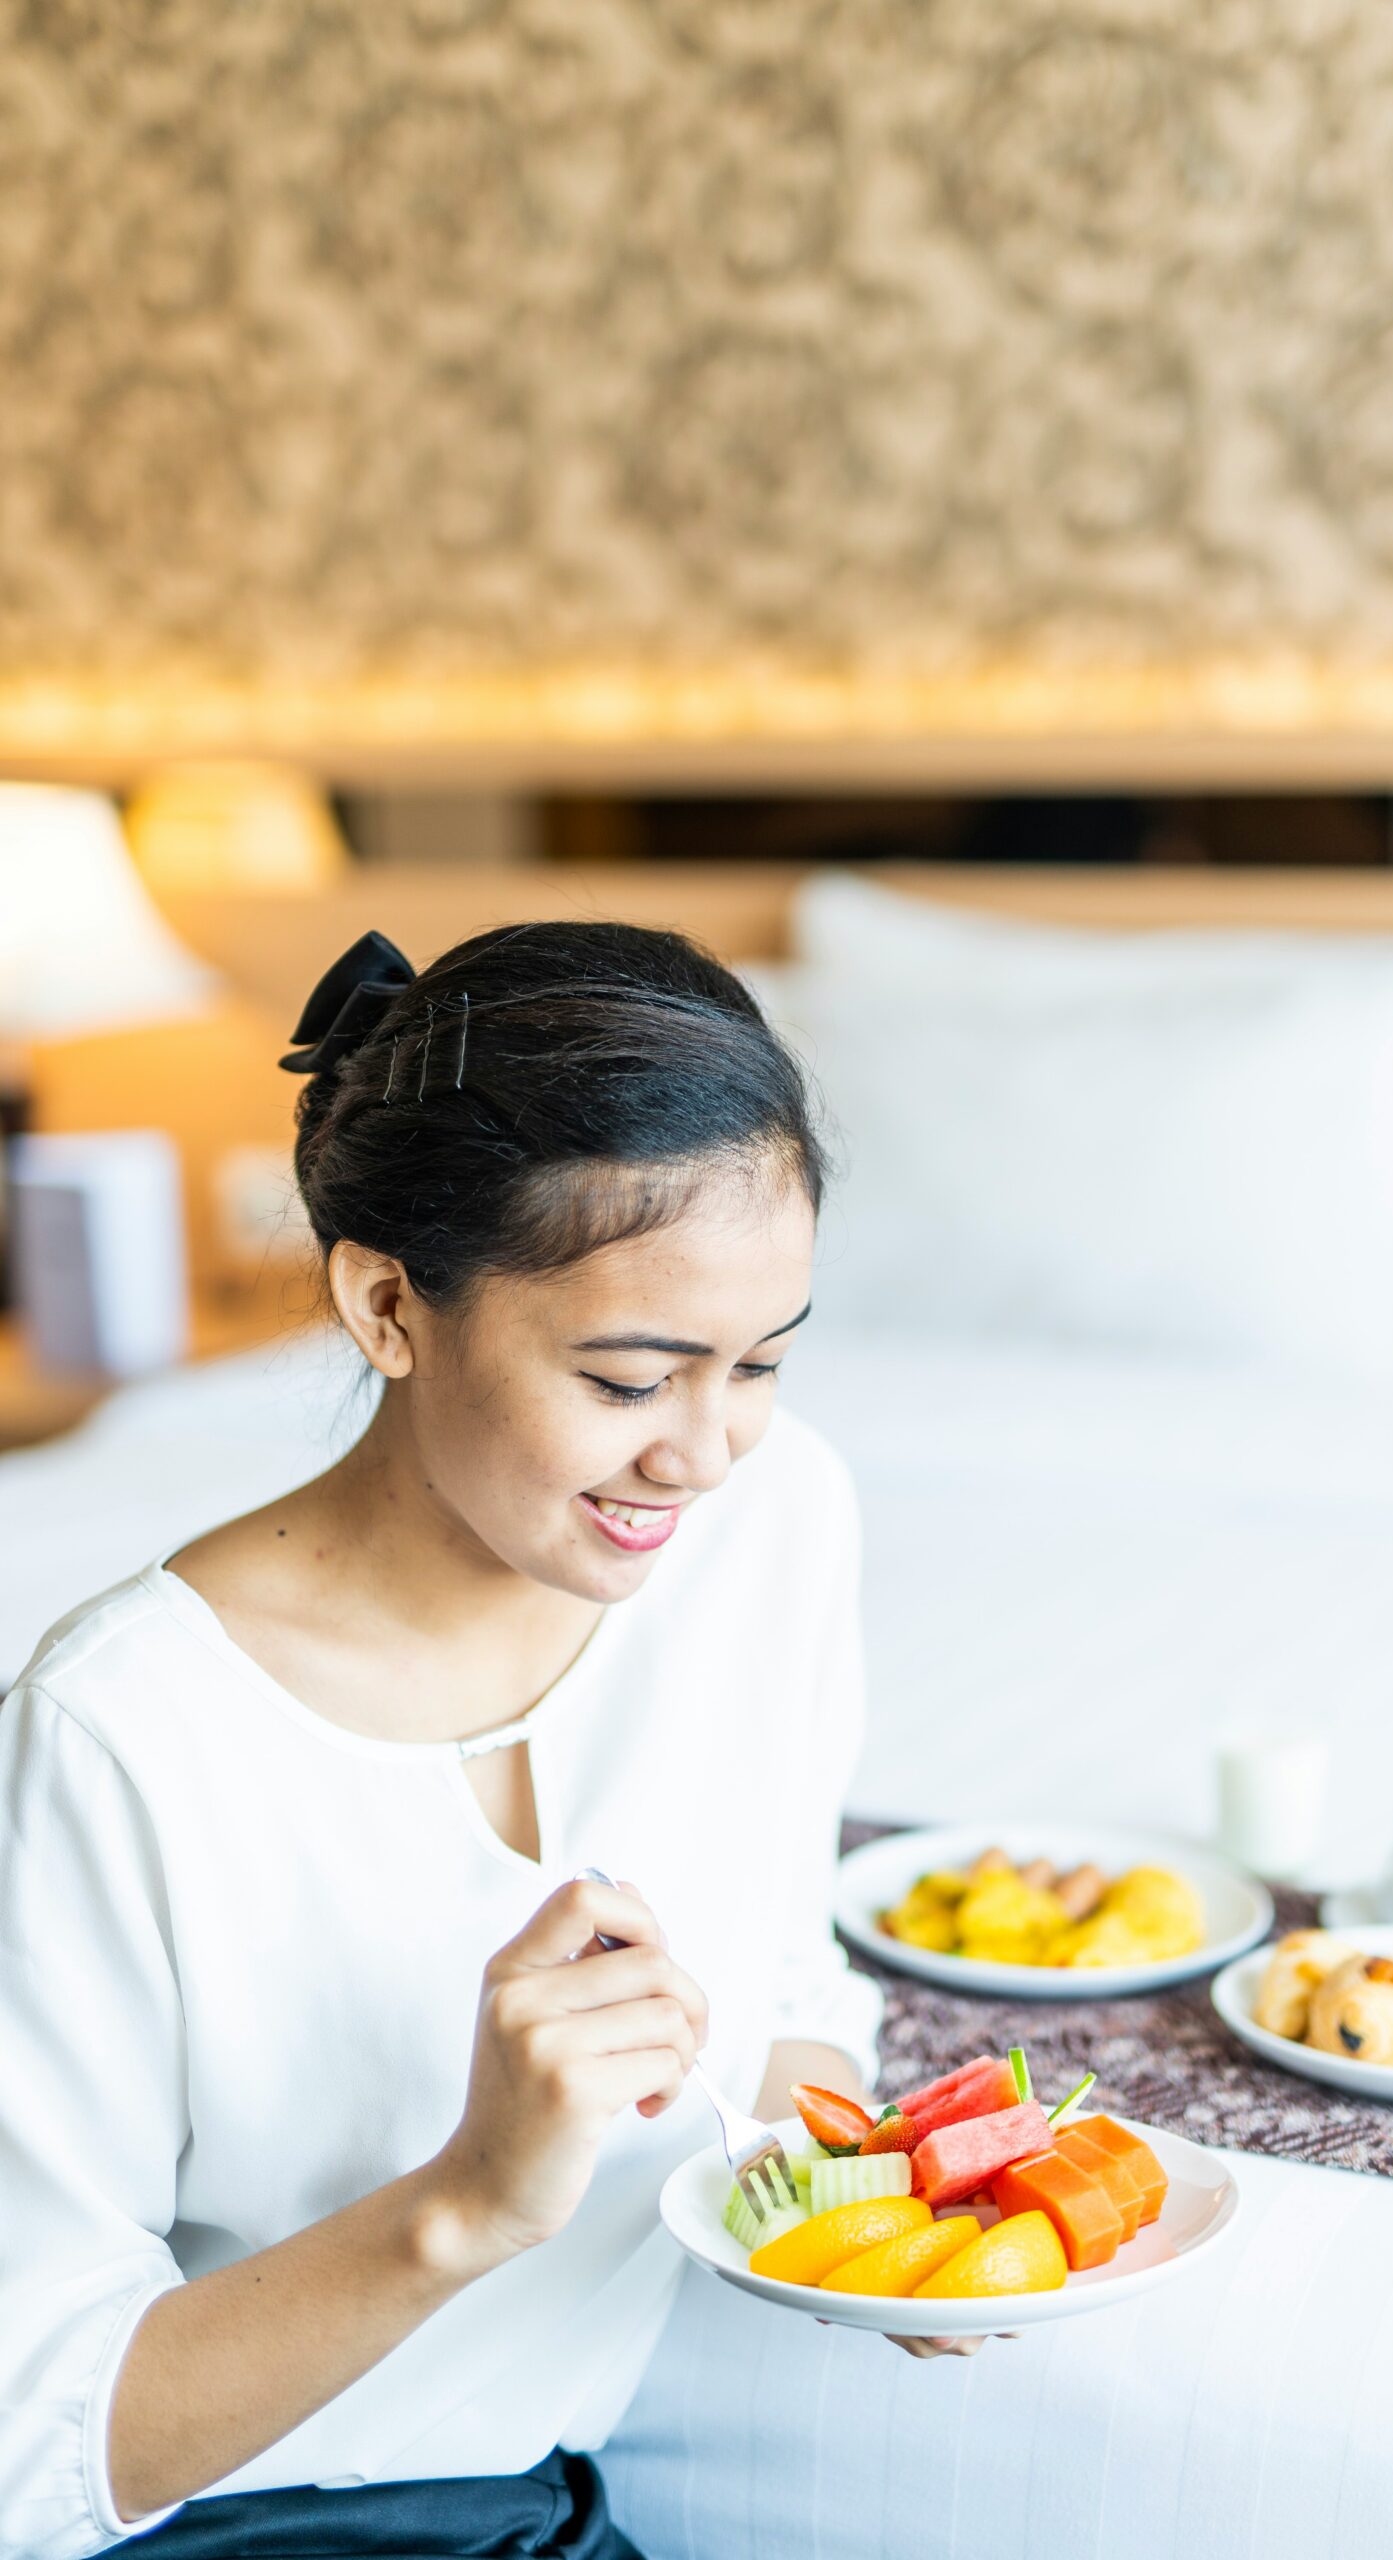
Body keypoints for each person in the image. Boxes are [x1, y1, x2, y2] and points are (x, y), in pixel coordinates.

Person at [0, 920, 972, 2560]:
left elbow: (790, 1980)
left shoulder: (774, 1526)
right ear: (387, 1304)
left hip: (536, 2517)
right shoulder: (120, 1740)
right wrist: (467, 2204)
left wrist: (862, 2210)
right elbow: (26, 2455)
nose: (705, 1454)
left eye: (761, 1366)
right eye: (628, 1379)